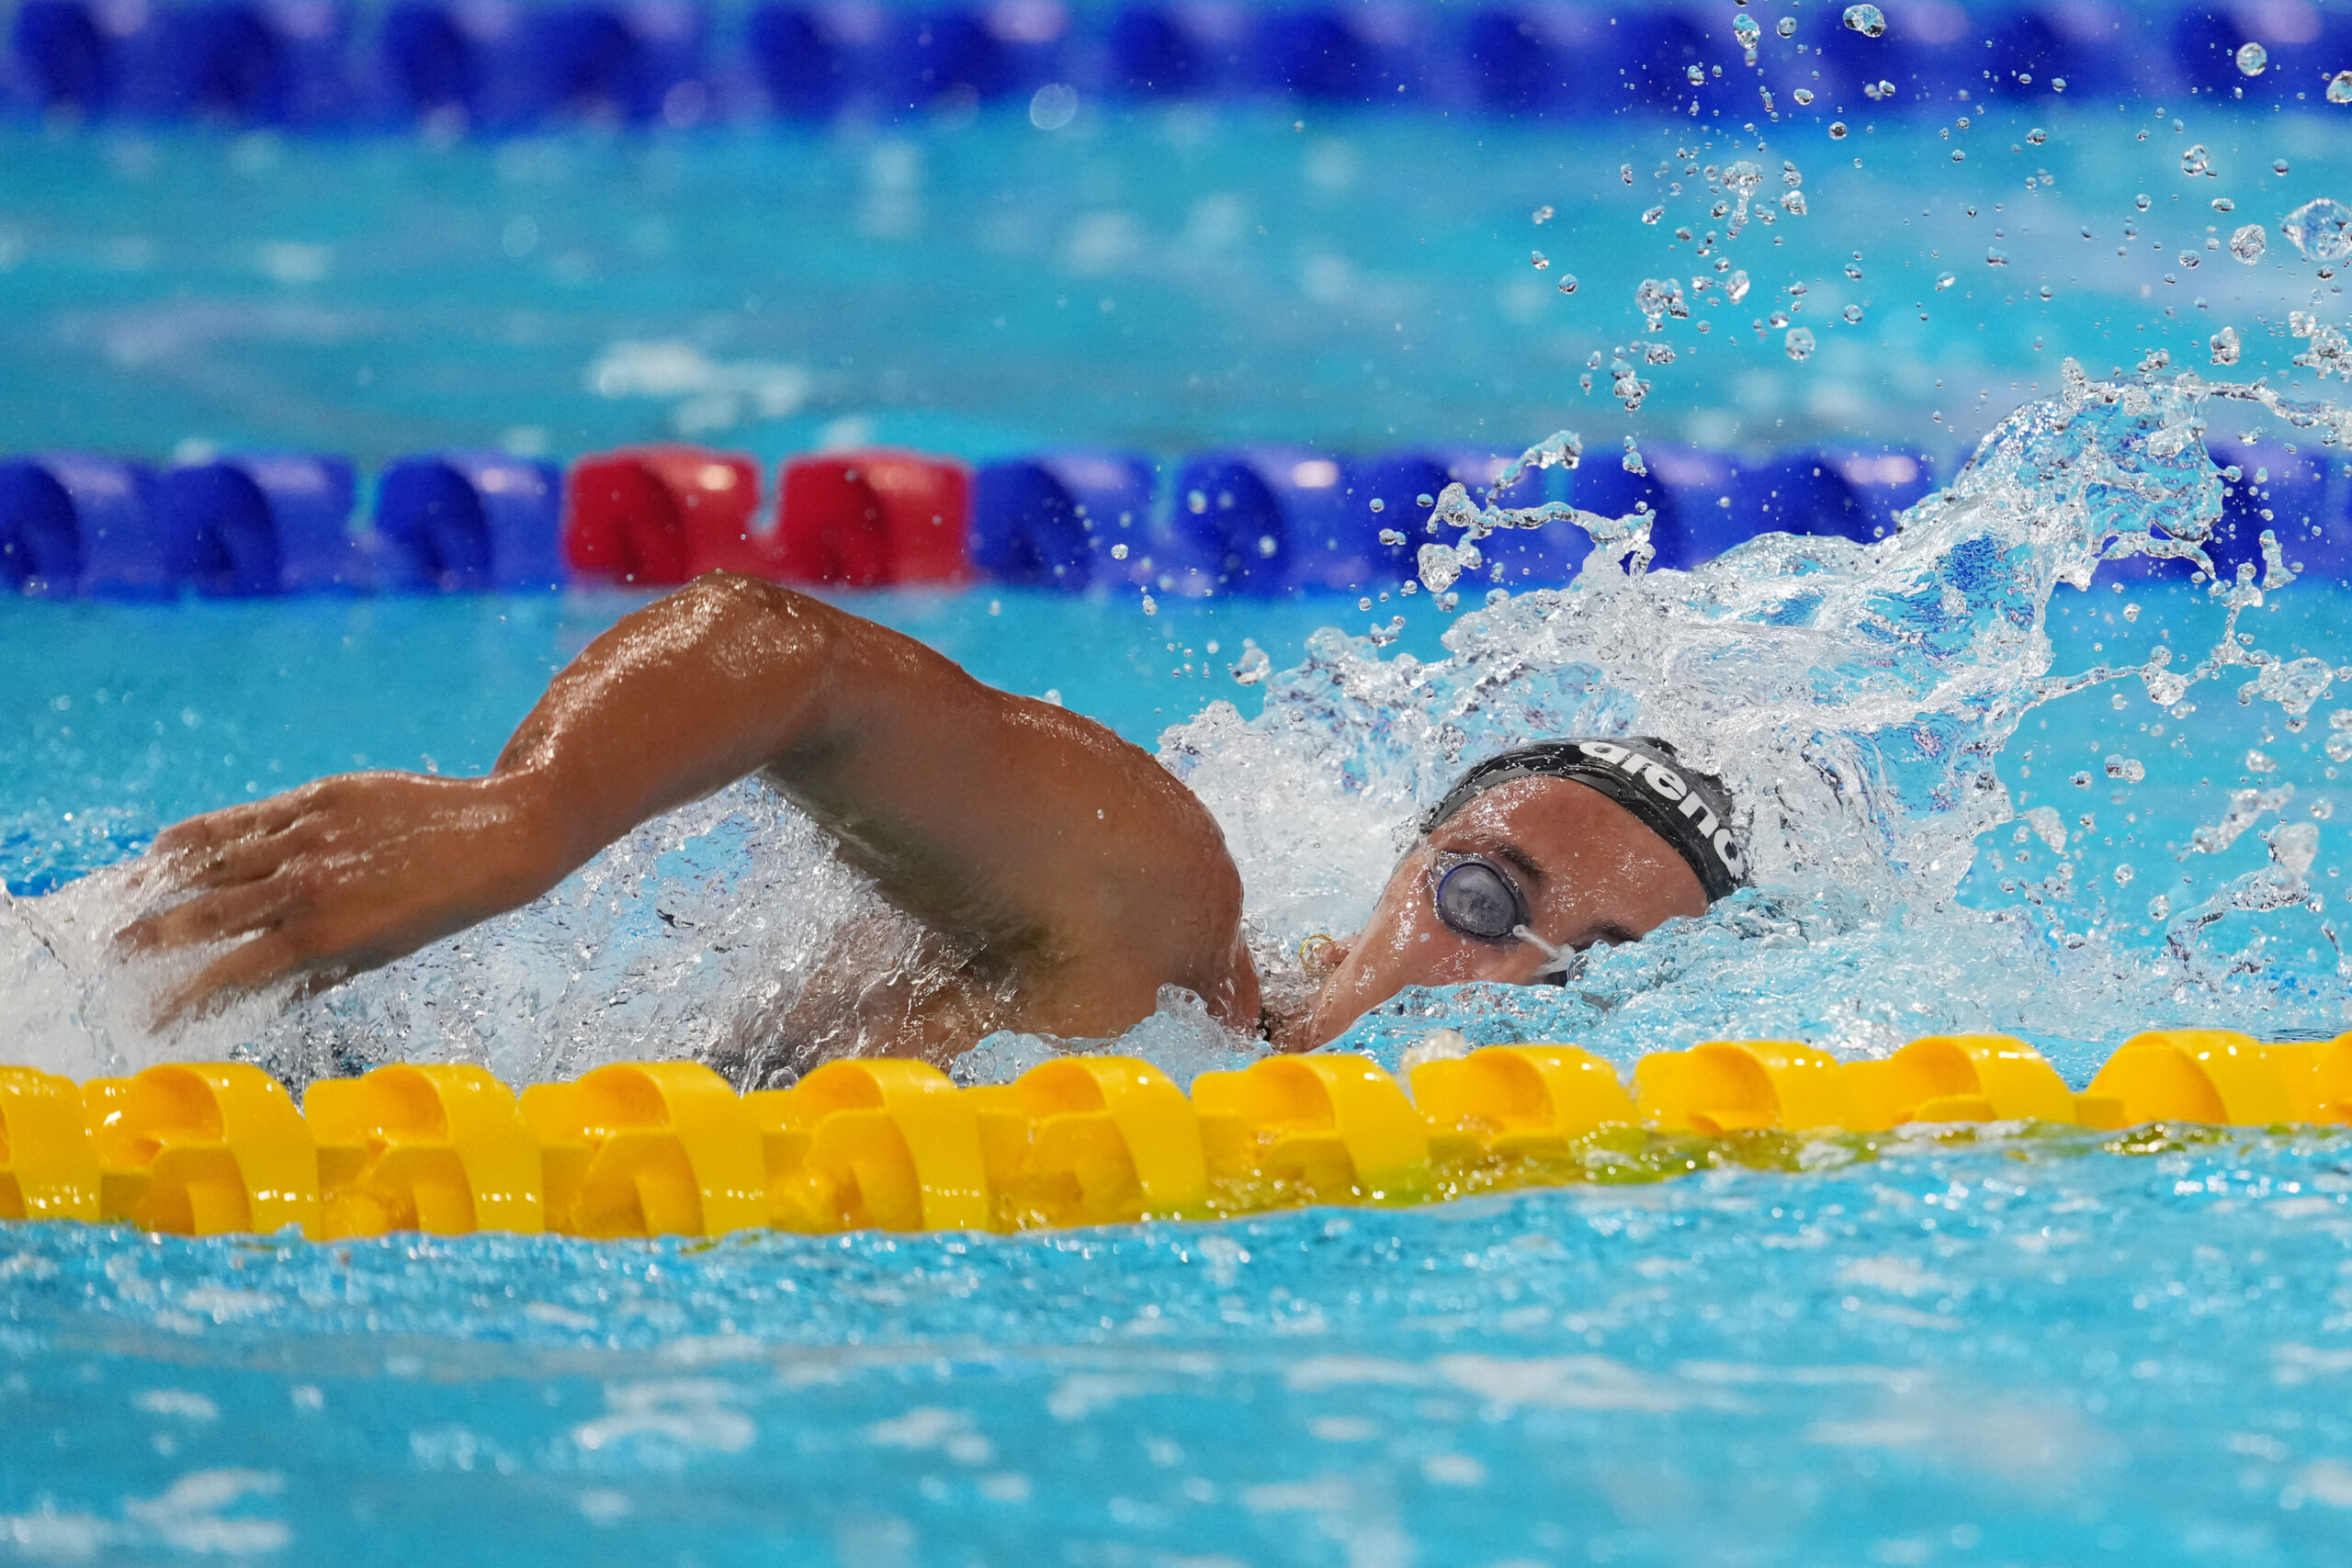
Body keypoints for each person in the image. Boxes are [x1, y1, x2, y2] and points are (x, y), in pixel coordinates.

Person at [118, 573, 1743, 1064]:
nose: (1500, 979)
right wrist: (523, 817)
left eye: (1582, 971)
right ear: (1401, 878)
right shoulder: (1159, 937)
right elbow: (793, 657)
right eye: (1481, 898)